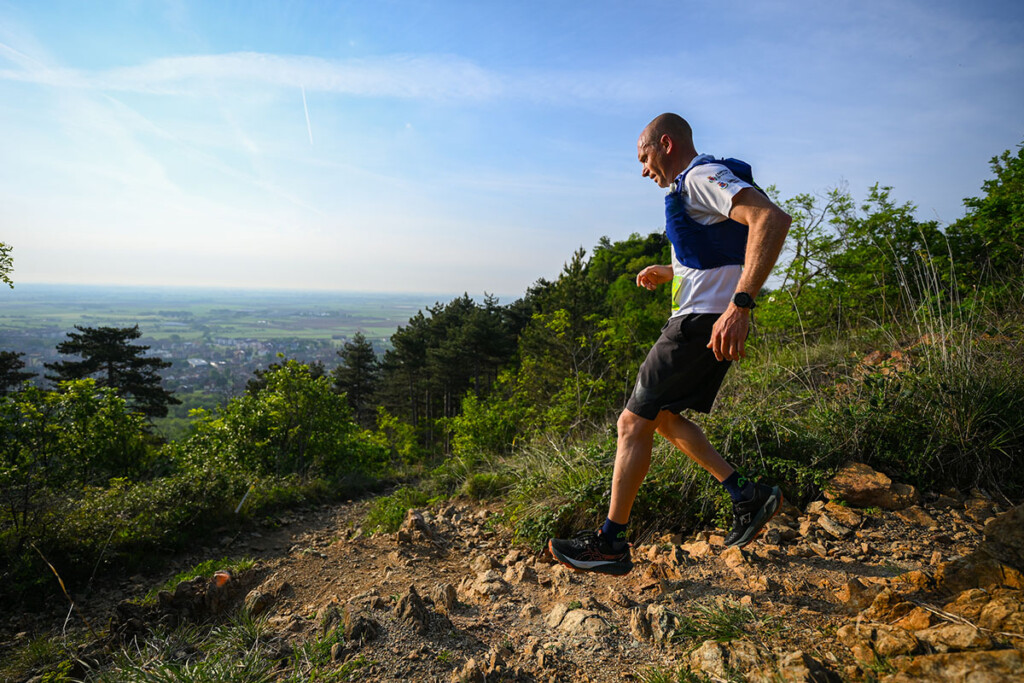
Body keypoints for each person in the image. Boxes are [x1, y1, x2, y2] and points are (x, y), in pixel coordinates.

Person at [548, 113, 792, 576]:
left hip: (698, 326)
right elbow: (719, 253)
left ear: (665, 143)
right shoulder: (691, 186)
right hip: (702, 320)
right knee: (660, 419)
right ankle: (746, 493)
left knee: (630, 424)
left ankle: (611, 543)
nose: (643, 169)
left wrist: (741, 305)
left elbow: (769, 218)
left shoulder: (699, 176)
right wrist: (673, 272)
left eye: (644, 157)